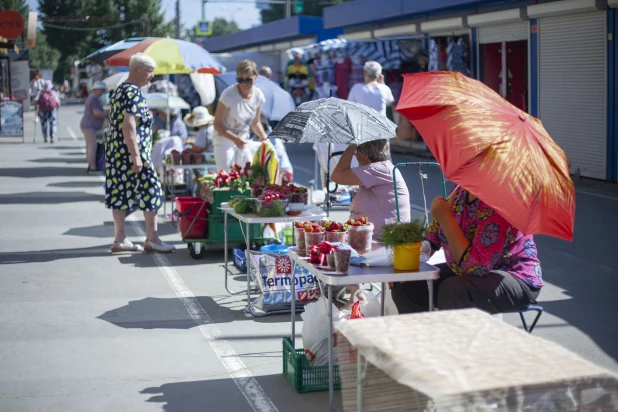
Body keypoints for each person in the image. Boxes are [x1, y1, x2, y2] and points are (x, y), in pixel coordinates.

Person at [391, 186, 543, 315]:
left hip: (515, 274)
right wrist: (406, 267)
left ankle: (456, 348)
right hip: (465, 271)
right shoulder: (460, 190)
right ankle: (421, 343)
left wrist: (446, 219)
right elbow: (432, 239)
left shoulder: (501, 201)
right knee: (407, 286)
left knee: (454, 290)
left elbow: (476, 267)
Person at [105, 52, 175, 254]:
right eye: (150, 70)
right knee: (152, 190)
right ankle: (152, 238)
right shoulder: (134, 92)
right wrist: (136, 156)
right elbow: (129, 126)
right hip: (132, 154)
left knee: (119, 192)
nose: (152, 75)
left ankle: (120, 239)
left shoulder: (120, 90)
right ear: (137, 69)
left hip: (117, 154)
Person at [331, 139, 410, 240]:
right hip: (368, 235)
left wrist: (352, 145)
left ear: (365, 156)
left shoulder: (378, 169)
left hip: (380, 239)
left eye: (356, 153)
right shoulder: (380, 168)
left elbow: (337, 176)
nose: (355, 156)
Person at [212, 59, 268, 172]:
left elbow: (255, 122)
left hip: (243, 141)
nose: (244, 84)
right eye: (240, 80)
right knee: (226, 178)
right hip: (224, 141)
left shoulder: (258, 95)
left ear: (255, 77)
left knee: (246, 178)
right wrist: (235, 139)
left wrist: (264, 138)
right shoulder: (228, 94)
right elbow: (217, 123)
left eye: (248, 80)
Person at [80, 81, 109, 174]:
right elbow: (97, 113)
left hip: (88, 126)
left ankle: (91, 165)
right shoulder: (94, 99)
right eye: (102, 90)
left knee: (90, 146)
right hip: (90, 126)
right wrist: (107, 114)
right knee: (92, 146)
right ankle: (92, 167)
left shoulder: (92, 98)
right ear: (97, 90)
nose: (103, 92)